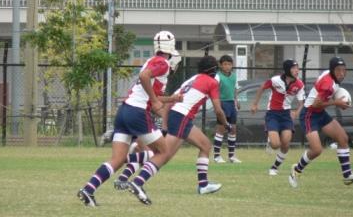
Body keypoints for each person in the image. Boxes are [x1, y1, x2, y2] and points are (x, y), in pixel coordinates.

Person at [77, 30, 182, 207]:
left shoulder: (152, 62)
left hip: (125, 111)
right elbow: (145, 80)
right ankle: (138, 182)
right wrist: (156, 100)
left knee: (117, 159)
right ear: (171, 47)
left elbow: (151, 92)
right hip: (137, 113)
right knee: (164, 152)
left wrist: (171, 99)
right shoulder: (162, 63)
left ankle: (88, 189)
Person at [288, 57, 353, 188]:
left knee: (343, 138)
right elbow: (316, 103)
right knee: (317, 150)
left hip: (320, 113)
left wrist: (337, 100)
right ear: (332, 70)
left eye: (344, 70)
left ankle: (347, 176)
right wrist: (337, 102)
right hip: (309, 114)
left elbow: (322, 100)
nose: (341, 73)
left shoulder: (330, 77)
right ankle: (296, 171)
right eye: (338, 70)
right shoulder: (328, 84)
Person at [165, 55, 233, 194]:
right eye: (216, 67)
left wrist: (165, 124)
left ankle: (203, 185)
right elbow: (218, 110)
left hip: (177, 114)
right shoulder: (211, 82)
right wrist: (226, 124)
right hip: (181, 115)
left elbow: (172, 99)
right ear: (213, 69)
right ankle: (133, 163)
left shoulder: (193, 78)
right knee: (164, 153)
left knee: (205, 145)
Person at [250, 59, 305, 175]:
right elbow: (262, 88)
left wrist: (297, 112)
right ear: (287, 70)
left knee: (286, 143)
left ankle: (274, 167)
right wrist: (255, 104)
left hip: (286, 115)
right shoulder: (275, 80)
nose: (297, 70)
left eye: (297, 68)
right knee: (276, 145)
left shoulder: (299, 84)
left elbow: (301, 102)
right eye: (294, 68)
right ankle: (270, 141)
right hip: (273, 114)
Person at [213, 55, 241, 163]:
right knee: (221, 129)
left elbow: (235, 89)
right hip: (222, 103)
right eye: (225, 64)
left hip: (231, 104)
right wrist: (217, 106)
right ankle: (216, 156)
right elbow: (214, 91)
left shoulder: (234, 76)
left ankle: (231, 156)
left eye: (229, 64)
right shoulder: (217, 76)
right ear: (220, 65)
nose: (227, 66)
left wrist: (237, 100)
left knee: (233, 129)